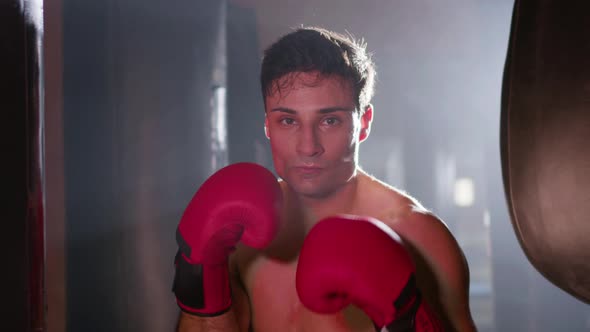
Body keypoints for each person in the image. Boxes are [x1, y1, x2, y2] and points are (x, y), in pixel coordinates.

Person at [174, 26, 476, 332]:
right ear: (267, 125)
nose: (308, 146)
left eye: (330, 120)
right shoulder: (238, 235)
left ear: (364, 124)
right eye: (288, 120)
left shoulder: (419, 238)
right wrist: (196, 281)